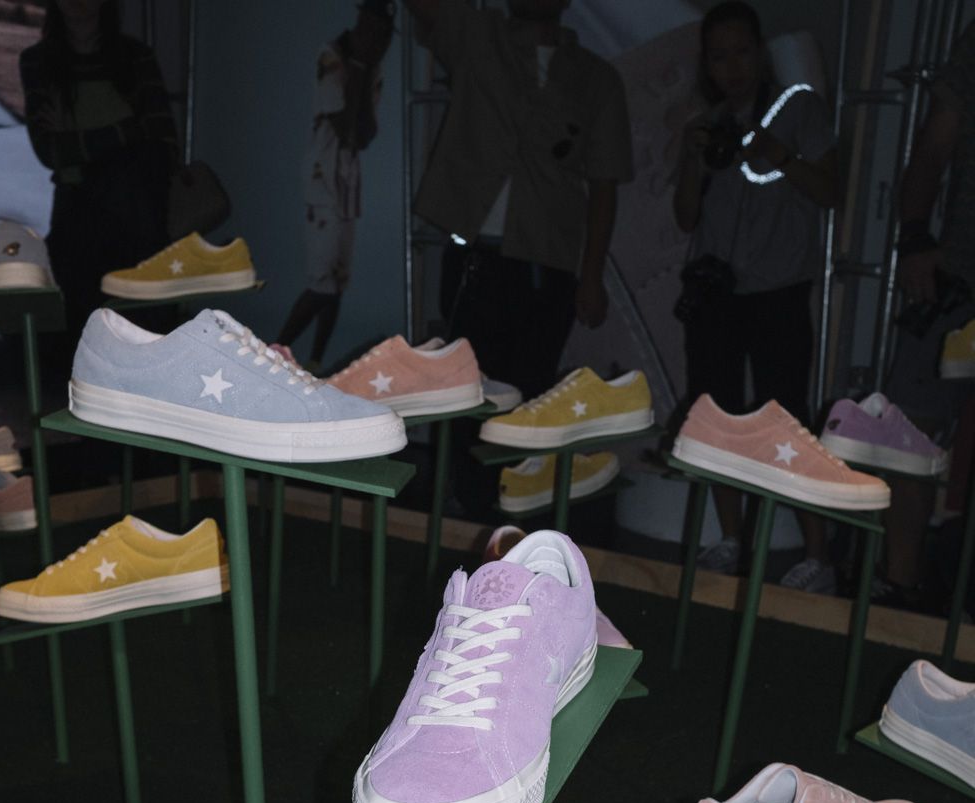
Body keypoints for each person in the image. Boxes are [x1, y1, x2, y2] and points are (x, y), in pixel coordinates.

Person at [672, 2, 839, 590]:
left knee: (787, 419)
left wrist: (781, 155)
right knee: (714, 417)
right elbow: (685, 217)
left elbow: (831, 191)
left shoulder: (799, 109)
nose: (733, 67)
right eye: (719, 57)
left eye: (742, 52)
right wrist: (692, 158)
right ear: (707, 64)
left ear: (761, 53)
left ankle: (817, 555)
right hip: (715, 292)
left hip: (778, 292)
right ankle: (730, 539)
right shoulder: (710, 125)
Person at [401, 0, 633, 404]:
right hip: (472, 257)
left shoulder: (597, 78)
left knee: (528, 398)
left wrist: (592, 275)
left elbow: (604, 185)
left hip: (546, 263)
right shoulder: (477, 36)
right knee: (463, 395)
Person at [880, 20, 975, 610]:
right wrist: (915, 235)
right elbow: (936, 142)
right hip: (959, 274)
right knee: (906, 431)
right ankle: (901, 586)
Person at [20, 0, 178, 336]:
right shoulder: (38, 61)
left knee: (141, 324)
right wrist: (127, 127)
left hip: (136, 214)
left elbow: (161, 142)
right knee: (84, 326)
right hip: (80, 213)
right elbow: (50, 151)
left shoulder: (136, 57)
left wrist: (76, 138)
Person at [276, 0, 395, 367]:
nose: (381, 42)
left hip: (348, 185)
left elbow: (365, 134)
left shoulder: (373, 67)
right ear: (363, 23)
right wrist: (357, 66)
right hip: (323, 181)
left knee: (337, 283)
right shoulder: (333, 56)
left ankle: (315, 363)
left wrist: (364, 67)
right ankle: (272, 352)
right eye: (376, 30)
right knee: (321, 284)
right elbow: (344, 124)